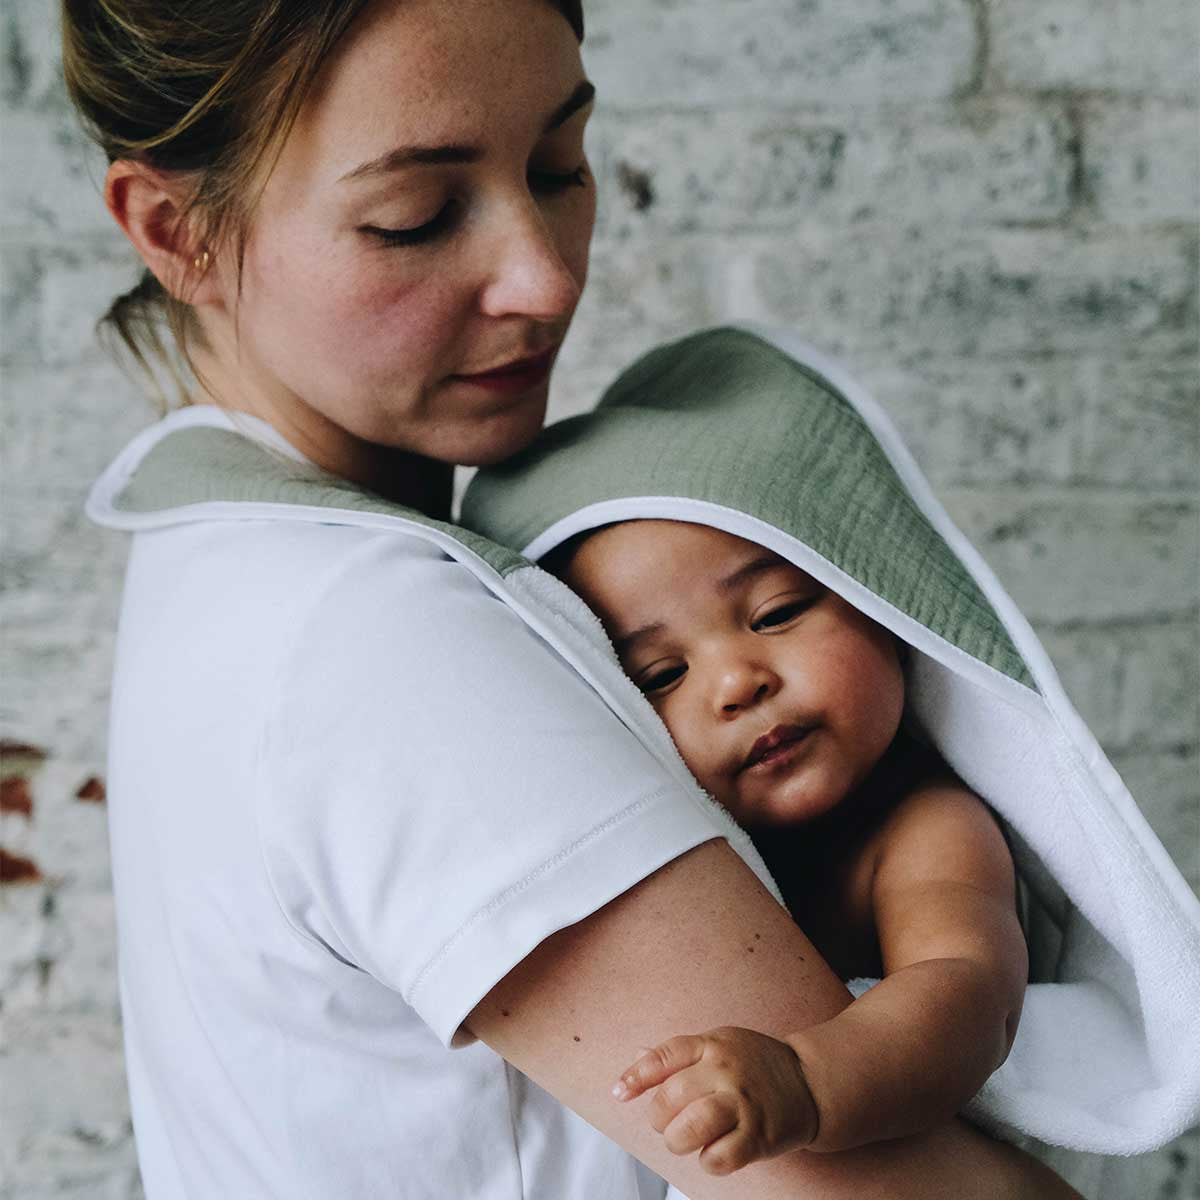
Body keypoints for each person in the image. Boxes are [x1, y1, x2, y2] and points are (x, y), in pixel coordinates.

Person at [66, 1, 1083, 1195]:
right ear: (175, 231)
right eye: (417, 217)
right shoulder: (371, 634)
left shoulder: (216, 561)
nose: (545, 280)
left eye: (560, 165)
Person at [543, 517, 1027, 1170]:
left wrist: (806, 1076)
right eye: (660, 675)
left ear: (876, 599)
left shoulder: (925, 826)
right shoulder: (669, 850)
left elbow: (969, 992)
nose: (738, 684)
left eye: (776, 613)